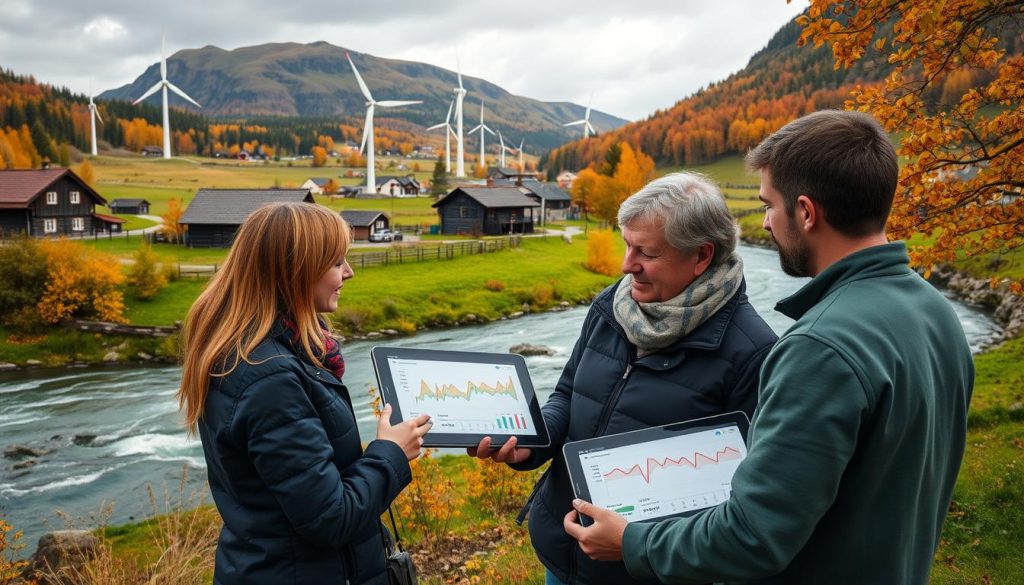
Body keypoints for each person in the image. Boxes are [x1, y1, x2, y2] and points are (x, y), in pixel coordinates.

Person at [564, 110, 975, 584]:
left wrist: (634, 543)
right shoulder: (936, 312)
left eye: (768, 205)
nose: (765, 221)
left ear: (805, 212)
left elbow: (753, 536)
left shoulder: (821, 349)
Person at [470, 172, 778, 585]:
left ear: (701, 256)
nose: (626, 264)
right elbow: (567, 396)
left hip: (647, 573)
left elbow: (738, 504)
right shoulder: (612, 305)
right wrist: (529, 443)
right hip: (563, 555)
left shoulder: (753, 353)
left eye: (646, 253)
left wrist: (638, 543)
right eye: (627, 245)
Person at [177, 202, 432, 585]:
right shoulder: (270, 378)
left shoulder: (256, 352)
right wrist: (390, 453)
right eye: (336, 263)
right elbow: (330, 517)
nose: (349, 272)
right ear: (295, 271)